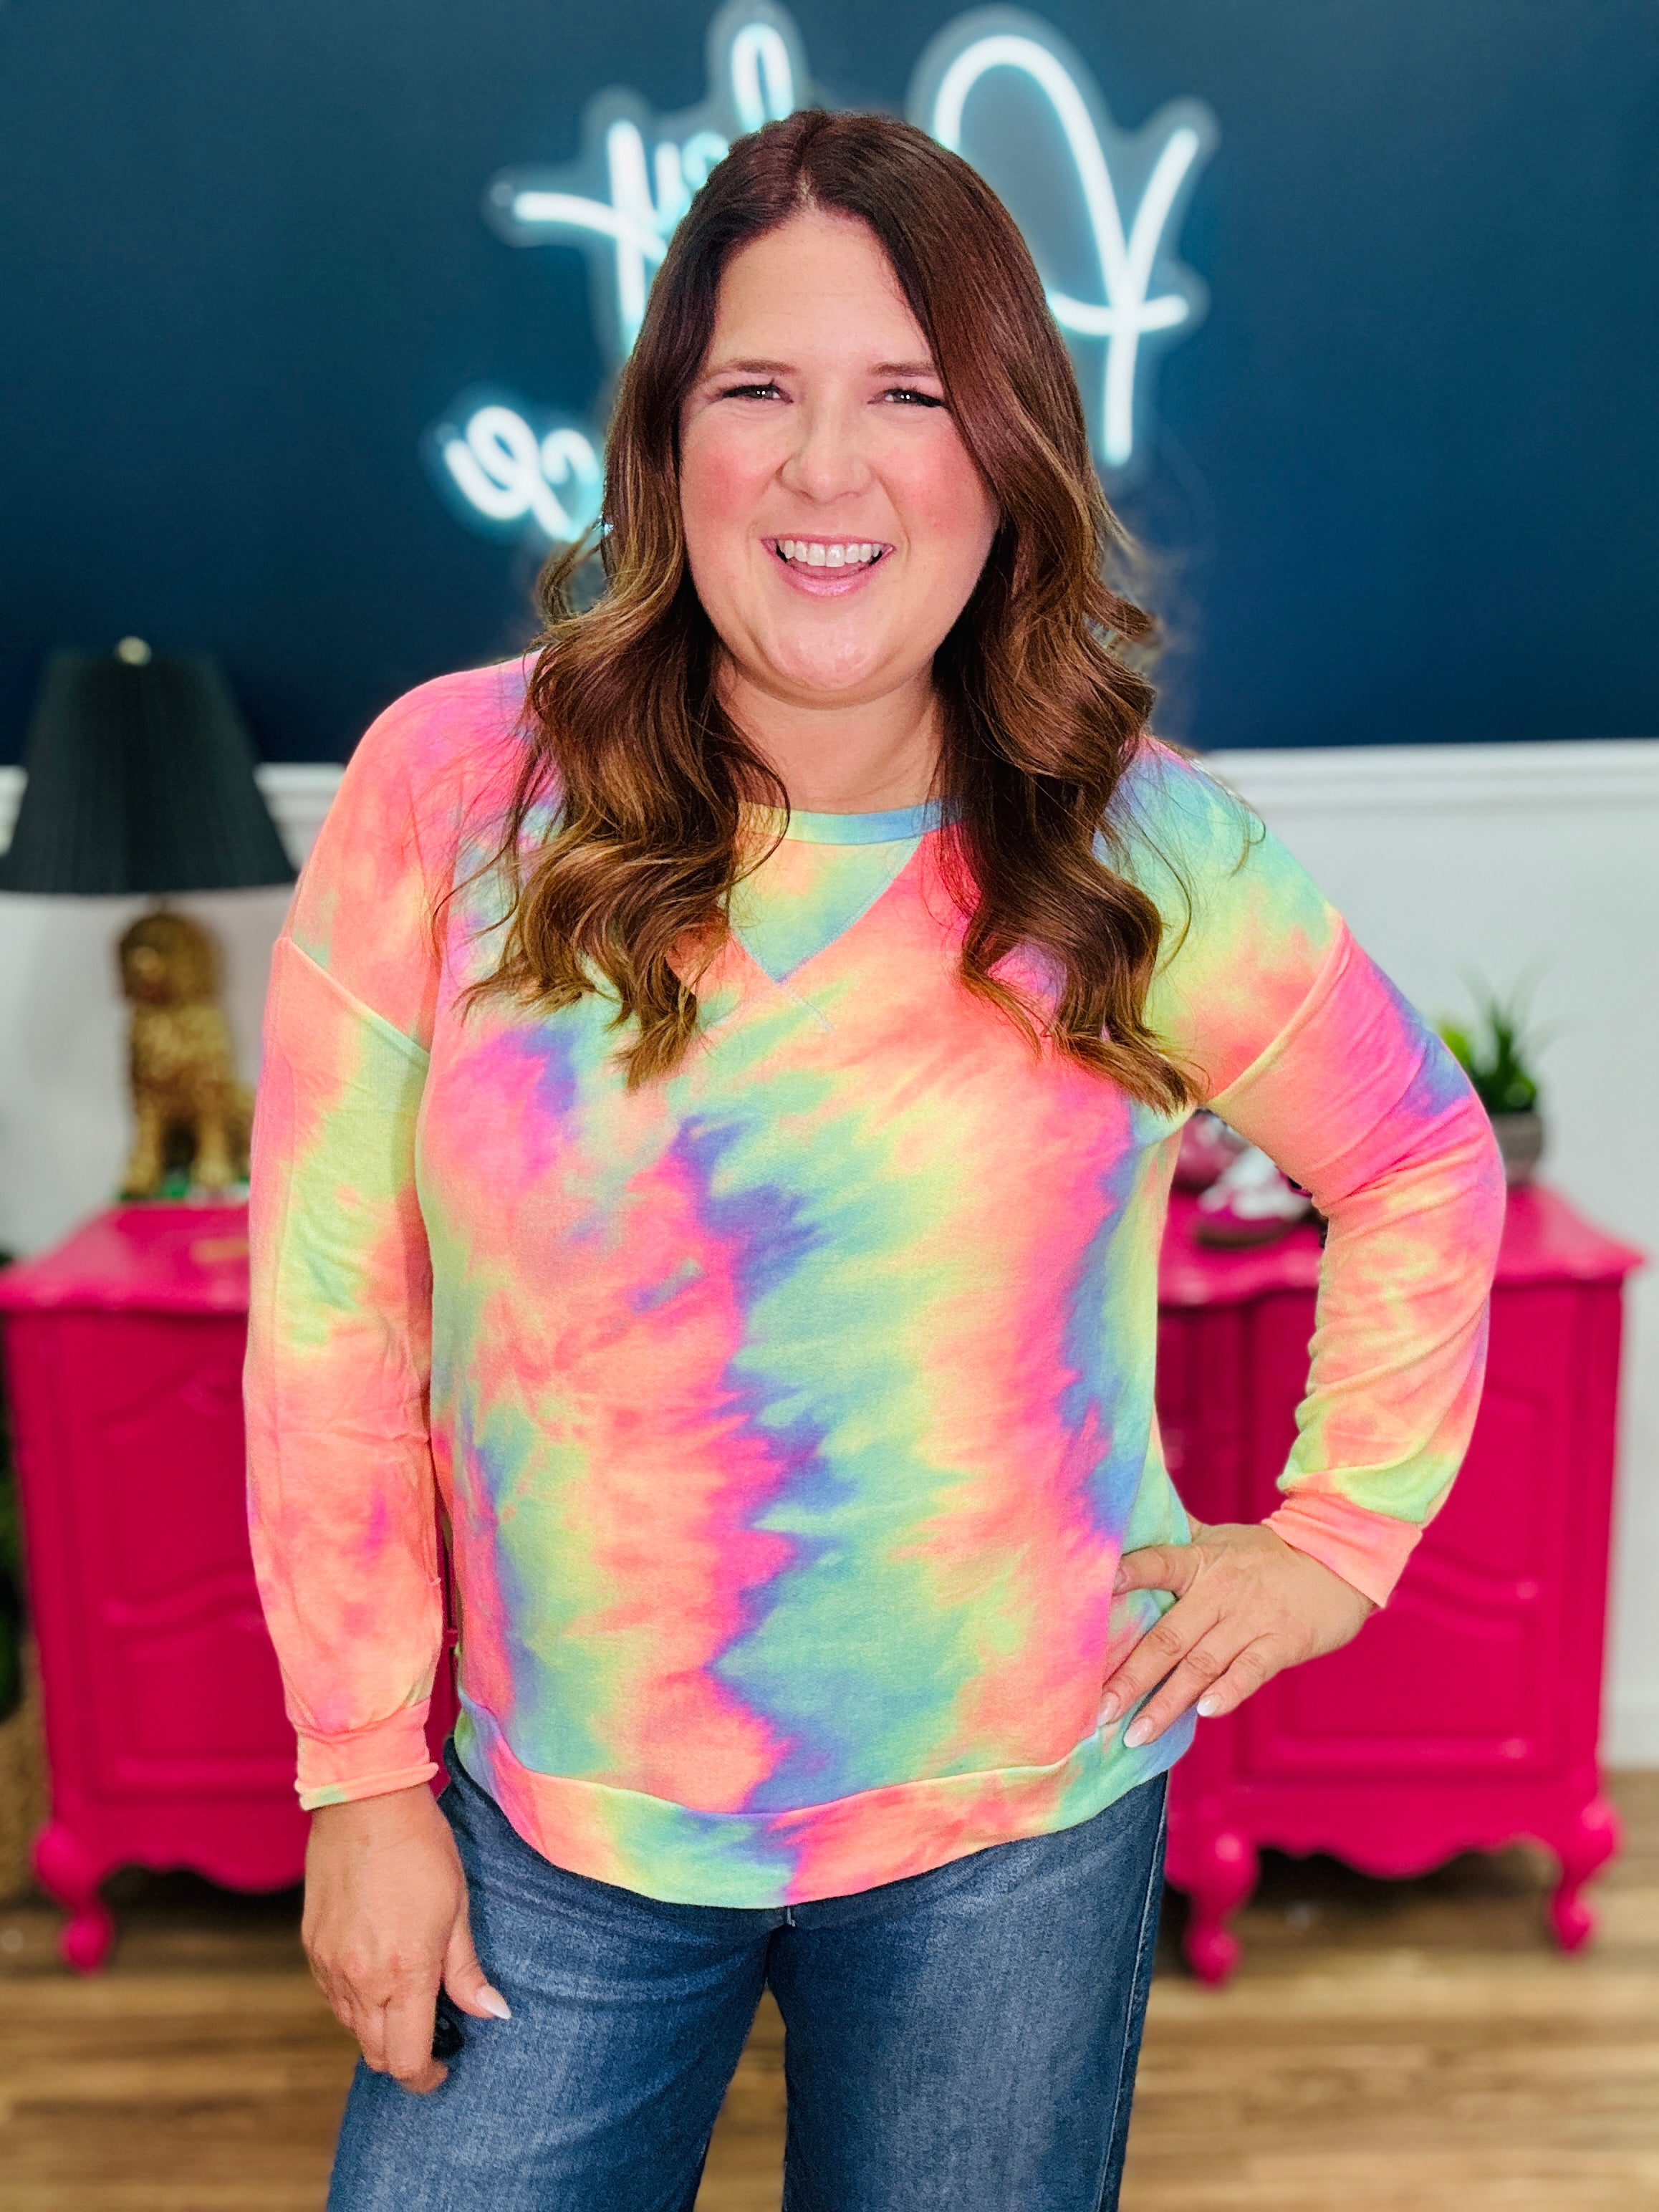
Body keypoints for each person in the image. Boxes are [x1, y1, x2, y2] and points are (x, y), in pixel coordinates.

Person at [245, 109, 1506, 2212]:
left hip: (1013, 1841)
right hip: (558, 1834)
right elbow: (330, 1316)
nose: (828, 470)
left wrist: (1338, 1538)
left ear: (1005, 453)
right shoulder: (452, 794)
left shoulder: (1143, 853)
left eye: (910, 395)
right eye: (760, 388)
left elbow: (1419, 1160)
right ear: (669, 443)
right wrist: (359, 1780)